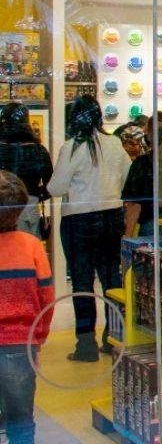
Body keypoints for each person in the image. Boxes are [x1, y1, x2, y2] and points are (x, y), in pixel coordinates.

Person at [48, 96, 129, 361]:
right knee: (111, 279)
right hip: (112, 216)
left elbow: (56, 188)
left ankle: (86, 345)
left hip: (79, 219)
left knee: (82, 282)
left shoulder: (72, 146)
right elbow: (127, 177)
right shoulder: (114, 143)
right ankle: (114, 338)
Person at [0, 171, 54, 444]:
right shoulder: (32, 245)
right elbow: (46, 298)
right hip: (22, 342)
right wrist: (39, 337)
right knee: (21, 420)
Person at [121, 112, 162, 237]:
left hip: (153, 227)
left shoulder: (143, 163)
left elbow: (134, 205)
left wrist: (127, 238)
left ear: (150, 135)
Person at [0, 103, 52, 237]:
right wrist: (36, 194)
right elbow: (51, 186)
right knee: (28, 247)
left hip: (2, 206)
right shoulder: (38, 150)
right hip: (29, 207)